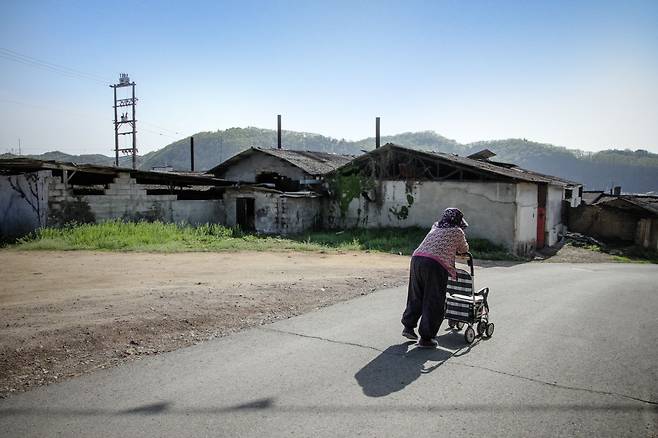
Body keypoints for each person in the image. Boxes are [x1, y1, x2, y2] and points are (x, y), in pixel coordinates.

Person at [401, 208, 469, 348]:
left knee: (416, 295)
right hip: (435, 264)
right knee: (434, 300)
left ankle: (408, 327)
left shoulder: (436, 226)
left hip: (417, 258)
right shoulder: (457, 231)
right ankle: (426, 338)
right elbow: (464, 249)